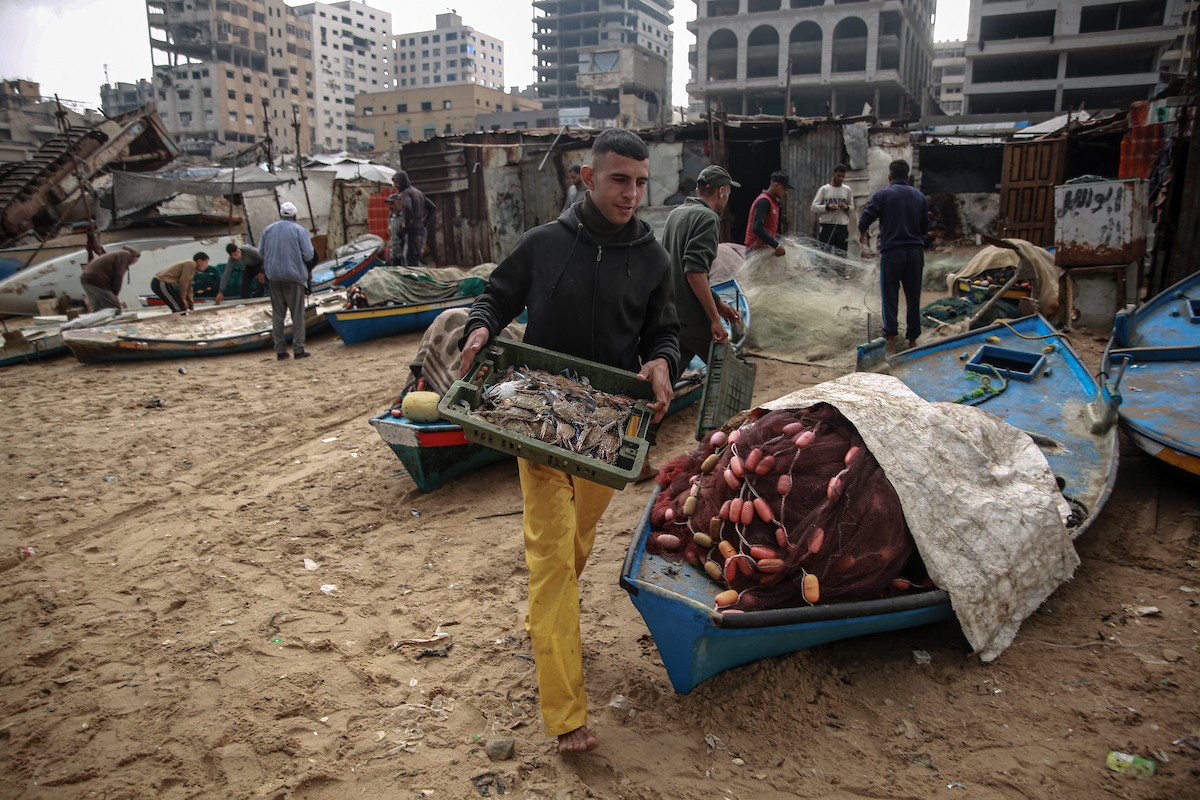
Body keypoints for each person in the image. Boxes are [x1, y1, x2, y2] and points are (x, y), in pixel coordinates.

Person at [457, 128, 678, 756]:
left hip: (607, 434)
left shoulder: (653, 259)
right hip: (539, 424)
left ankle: (540, 623)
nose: (632, 193)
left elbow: (663, 333)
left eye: (640, 182)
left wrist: (663, 362)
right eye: (619, 180)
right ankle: (565, 715)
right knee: (553, 558)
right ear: (586, 176)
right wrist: (479, 328)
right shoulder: (545, 245)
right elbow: (496, 297)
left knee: (575, 546)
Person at [661, 164, 743, 371]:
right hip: (693, 319)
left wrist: (719, 304)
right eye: (729, 192)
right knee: (728, 373)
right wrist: (715, 320)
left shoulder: (676, 214)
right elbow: (694, 272)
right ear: (722, 191)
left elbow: (676, 269)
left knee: (666, 379)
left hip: (671, 314)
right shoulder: (708, 218)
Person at [857, 159, 929, 356]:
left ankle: (891, 341)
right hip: (915, 253)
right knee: (913, 297)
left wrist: (863, 233)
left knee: (890, 296)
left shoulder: (883, 195)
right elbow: (925, 229)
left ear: (890, 177)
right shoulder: (920, 197)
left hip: (893, 252)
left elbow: (865, 219)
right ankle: (913, 339)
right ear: (908, 177)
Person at [260, 201, 316, 360]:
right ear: (295, 216)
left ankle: (280, 351)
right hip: (294, 276)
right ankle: (298, 349)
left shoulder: (268, 230)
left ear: (280, 214)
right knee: (297, 314)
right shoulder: (300, 231)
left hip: (274, 277)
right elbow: (308, 255)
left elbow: (261, 252)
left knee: (278, 315)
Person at [393, 170, 436, 266]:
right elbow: (432, 208)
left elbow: (407, 207)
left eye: (396, 183)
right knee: (415, 259)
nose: (395, 186)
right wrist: (424, 222)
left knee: (409, 261)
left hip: (411, 232)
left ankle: (413, 280)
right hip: (419, 229)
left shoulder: (406, 193)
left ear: (401, 181)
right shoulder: (419, 192)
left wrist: (406, 224)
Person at [810, 164, 855, 255]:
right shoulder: (824, 189)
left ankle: (841, 270)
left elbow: (852, 208)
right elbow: (814, 207)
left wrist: (846, 207)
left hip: (842, 226)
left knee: (841, 255)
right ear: (833, 174)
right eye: (839, 176)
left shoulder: (847, 190)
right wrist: (827, 207)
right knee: (825, 254)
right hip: (827, 226)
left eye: (843, 176)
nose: (841, 178)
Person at [80, 246, 140, 312]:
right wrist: (115, 294)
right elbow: (119, 275)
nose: (136, 261)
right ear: (134, 256)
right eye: (137, 259)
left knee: (97, 307)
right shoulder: (125, 255)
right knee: (111, 307)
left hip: (86, 279)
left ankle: (99, 321)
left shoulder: (117, 255)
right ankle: (115, 321)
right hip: (97, 280)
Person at [744, 170, 789, 257]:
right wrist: (776, 246)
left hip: (764, 250)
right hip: (756, 251)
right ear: (776, 185)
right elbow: (757, 227)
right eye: (784, 188)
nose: (785, 192)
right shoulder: (764, 201)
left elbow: (769, 229)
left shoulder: (773, 202)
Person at [386, 192, 406, 266]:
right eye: (389, 204)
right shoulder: (392, 217)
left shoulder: (405, 217)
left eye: (392, 204)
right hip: (395, 253)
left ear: (399, 203)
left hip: (404, 254)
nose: (390, 206)